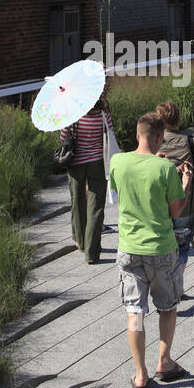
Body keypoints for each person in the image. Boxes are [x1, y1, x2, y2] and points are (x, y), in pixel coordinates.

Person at [109, 112, 194, 388]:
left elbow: (119, 190)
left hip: (129, 248)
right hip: (161, 248)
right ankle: (165, 361)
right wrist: (185, 182)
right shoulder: (166, 169)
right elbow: (176, 210)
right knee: (168, 307)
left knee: (135, 311)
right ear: (159, 138)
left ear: (137, 135)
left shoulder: (118, 162)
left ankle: (140, 373)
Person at [154, 100, 194, 291]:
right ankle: (176, 286)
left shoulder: (153, 143)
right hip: (185, 204)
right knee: (182, 248)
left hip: (158, 205)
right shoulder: (192, 141)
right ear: (178, 119)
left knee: (161, 248)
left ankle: (163, 283)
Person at [62, 92, 112, 264]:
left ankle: (81, 242)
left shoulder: (74, 113)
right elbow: (110, 135)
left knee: (77, 201)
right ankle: (91, 252)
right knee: (96, 207)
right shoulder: (104, 113)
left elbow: (64, 137)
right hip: (98, 162)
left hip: (76, 162)